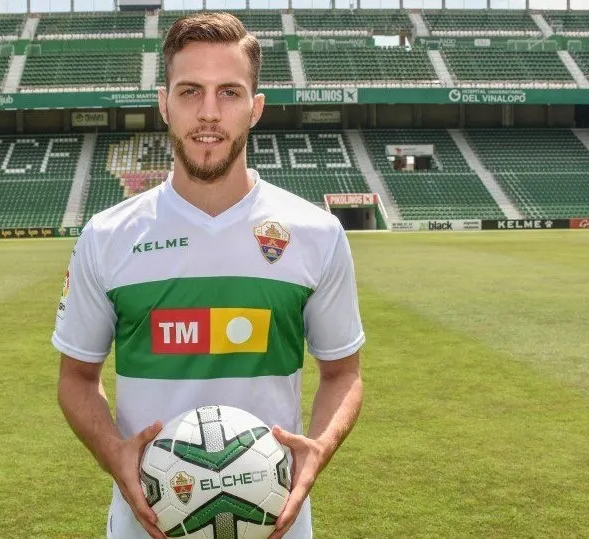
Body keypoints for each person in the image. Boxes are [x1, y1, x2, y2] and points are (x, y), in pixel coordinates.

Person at [52, 12, 365, 539]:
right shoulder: (107, 236)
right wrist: (115, 453)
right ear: (164, 104)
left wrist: (317, 448)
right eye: (190, 91)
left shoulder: (316, 232)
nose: (209, 113)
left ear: (255, 108)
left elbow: (343, 373)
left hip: (275, 523)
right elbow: (76, 378)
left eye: (230, 93)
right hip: (145, 523)